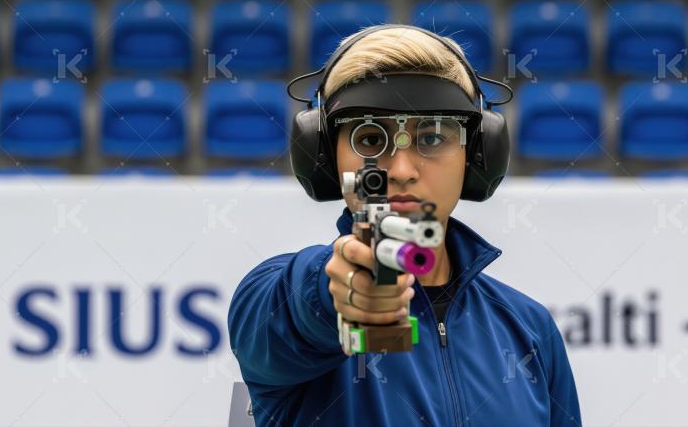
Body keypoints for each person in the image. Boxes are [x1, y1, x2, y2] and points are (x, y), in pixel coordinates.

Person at [228, 24, 582, 426]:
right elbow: (288, 316)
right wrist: (338, 299)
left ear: (477, 155)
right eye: (369, 140)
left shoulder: (531, 330)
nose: (401, 169)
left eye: (432, 137)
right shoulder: (276, 293)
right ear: (325, 156)